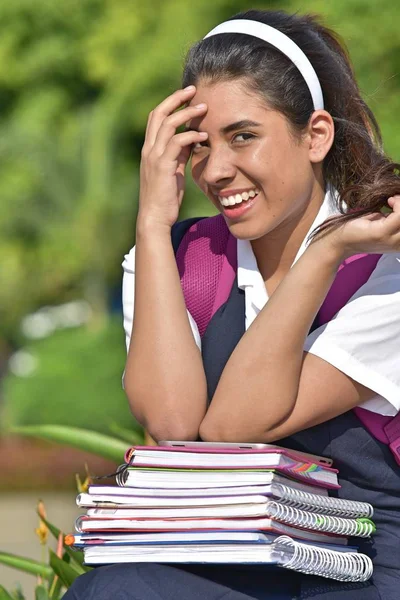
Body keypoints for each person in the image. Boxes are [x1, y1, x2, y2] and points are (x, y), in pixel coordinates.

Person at [65, 9, 400, 600]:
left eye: (243, 136)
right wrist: (151, 218)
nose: (216, 171)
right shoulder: (173, 255)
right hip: (228, 560)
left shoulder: (386, 266)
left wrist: (326, 253)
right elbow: (172, 427)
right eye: (198, 146)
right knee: (113, 591)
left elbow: (233, 427)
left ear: (315, 135)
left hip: (362, 570)